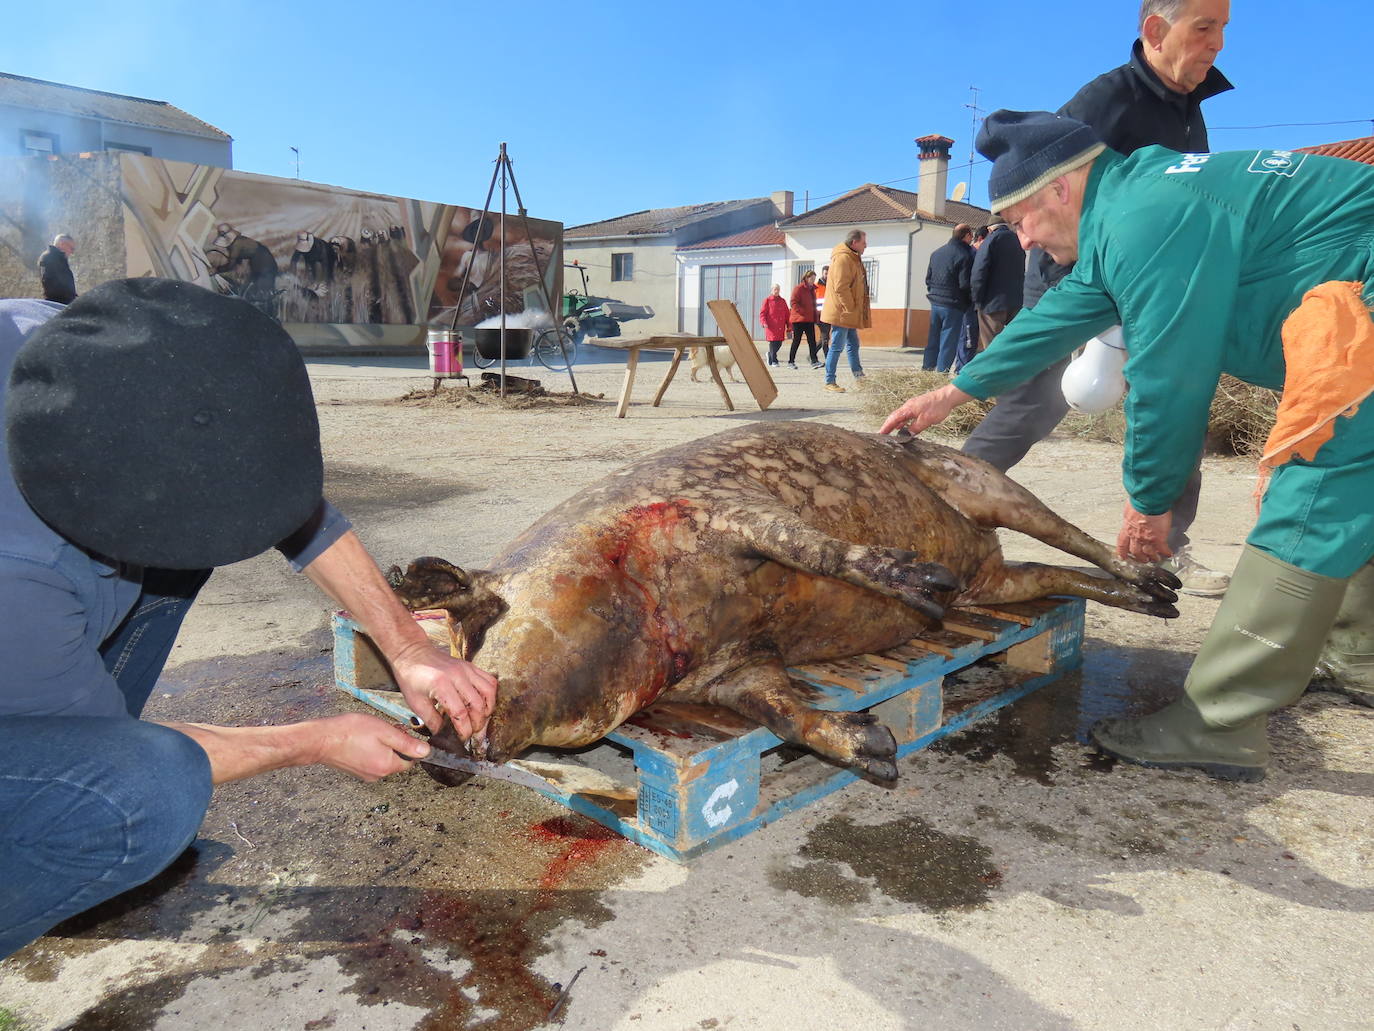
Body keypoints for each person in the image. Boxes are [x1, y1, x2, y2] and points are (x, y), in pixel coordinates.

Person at [0, 279, 498, 959]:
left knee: (192, 538)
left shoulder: (95, 352)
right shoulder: (16, 570)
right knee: (148, 788)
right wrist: (314, 740)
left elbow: (271, 489)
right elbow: (72, 737)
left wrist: (409, 644)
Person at [879, 109, 1374, 783]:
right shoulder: (1132, 206)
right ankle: (1355, 654)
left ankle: (1219, 722)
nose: (1021, 241)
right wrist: (951, 394)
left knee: (1314, 483)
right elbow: (1054, 317)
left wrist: (1149, 502)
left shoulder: (1146, 219)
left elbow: (1170, 375)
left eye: (1022, 218)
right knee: (1356, 485)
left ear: (1062, 189)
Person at [959, 0, 1234, 596]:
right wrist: (1077, 320)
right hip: (1074, 286)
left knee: (1174, 405)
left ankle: (1163, 546)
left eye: (1223, 30)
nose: (1217, 44)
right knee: (1033, 406)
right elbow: (1042, 208)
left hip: (1152, 289)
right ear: (1156, 31)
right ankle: (946, 505)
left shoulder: (1191, 113)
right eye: (1204, 28)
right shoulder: (1102, 104)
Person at [820, 230, 869, 393]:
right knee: (837, 346)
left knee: (853, 344)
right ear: (854, 242)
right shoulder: (843, 258)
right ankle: (829, 380)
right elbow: (841, 288)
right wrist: (850, 308)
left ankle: (859, 377)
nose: (865, 245)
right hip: (842, 312)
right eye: (863, 242)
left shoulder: (852, 257)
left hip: (848, 312)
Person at [922, 224, 974, 373]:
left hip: (935, 302)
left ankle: (927, 370)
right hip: (953, 304)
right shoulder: (965, 255)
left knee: (932, 340)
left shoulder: (936, 253)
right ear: (967, 235)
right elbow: (964, 284)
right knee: (948, 343)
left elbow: (928, 279)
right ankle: (941, 374)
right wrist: (969, 301)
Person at [969, 215, 1024, 351]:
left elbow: (978, 272)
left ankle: (994, 371)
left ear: (989, 229)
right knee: (1012, 345)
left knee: (991, 347)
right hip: (1015, 301)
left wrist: (977, 299)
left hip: (992, 303)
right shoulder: (1018, 240)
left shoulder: (990, 241)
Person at [788, 270, 821, 368]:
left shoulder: (812, 290)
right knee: (796, 341)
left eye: (814, 279)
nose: (813, 281)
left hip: (809, 319)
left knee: (812, 341)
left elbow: (814, 305)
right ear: (806, 278)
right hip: (798, 320)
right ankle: (791, 362)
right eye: (811, 279)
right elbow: (793, 302)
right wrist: (803, 312)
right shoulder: (799, 288)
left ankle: (814, 361)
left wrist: (815, 316)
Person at [37, 234, 76, 305]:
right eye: (71, 248)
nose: (72, 252)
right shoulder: (48, 257)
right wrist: (68, 299)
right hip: (57, 304)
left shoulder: (60, 259)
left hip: (65, 303)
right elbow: (49, 283)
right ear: (62, 244)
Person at [759, 284, 790, 366]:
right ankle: (774, 360)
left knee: (779, 343)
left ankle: (770, 354)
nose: (777, 291)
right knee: (773, 343)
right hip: (771, 326)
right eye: (775, 289)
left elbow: (787, 314)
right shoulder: (767, 300)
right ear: (772, 290)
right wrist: (763, 322)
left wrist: (789, 325)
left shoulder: (782, 301)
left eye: (778, 289)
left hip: (780, 326)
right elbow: (762, 313)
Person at [815, 265, 831, 359]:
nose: (827, 275)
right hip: (819, 315)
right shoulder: (816, 286)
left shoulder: (831, 285)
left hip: (828, 314)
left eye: (829, 273)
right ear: (822, 273)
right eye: (825, 273)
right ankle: (828, 359)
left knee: (824, 338)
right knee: (825, 338)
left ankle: (812, 354)